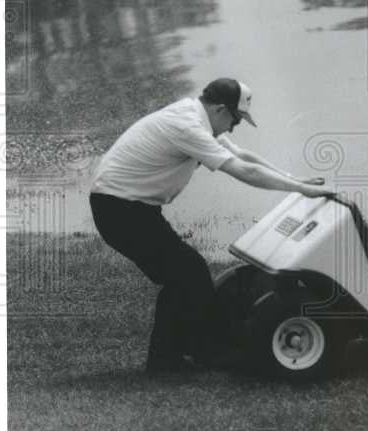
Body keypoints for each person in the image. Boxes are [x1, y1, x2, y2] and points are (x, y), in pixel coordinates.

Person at [89, 78, 334, 373]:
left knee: (185, 275)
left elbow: (242, 156)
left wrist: (296, 180)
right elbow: (244, 171)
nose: (233, 128)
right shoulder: (187, 126)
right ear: (220, 110)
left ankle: (175, 355)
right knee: (187, 273)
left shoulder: (195, 117)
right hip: (119, 208)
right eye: (235, 121)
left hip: (131, 206)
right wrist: (300, 191)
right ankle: (180, 357)